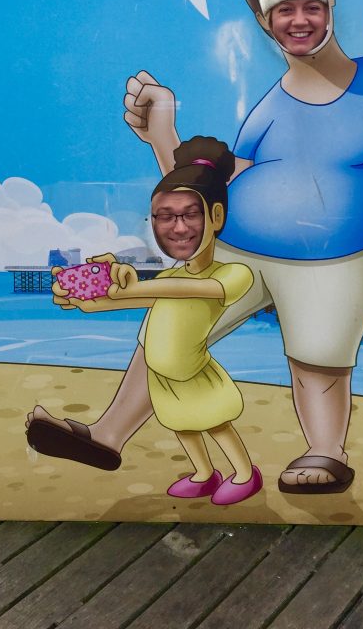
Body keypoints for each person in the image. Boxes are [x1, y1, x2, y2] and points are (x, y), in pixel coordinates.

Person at [27, 0, 363, 495]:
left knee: (318, 355)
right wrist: (162, 131)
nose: (300, 20)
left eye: (312, 5)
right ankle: (106, 435)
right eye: (284, 9)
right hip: (245, 249)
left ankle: (326, 451)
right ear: (262, 21)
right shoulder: (271, 104)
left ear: (331, 1)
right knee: (171, 326)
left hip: (340, 252)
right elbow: (211, 187)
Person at [27, 137, 262, 506]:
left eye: (190, 214)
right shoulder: (170, 279)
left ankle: (245, 473)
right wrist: (83, 295)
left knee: (215, 423)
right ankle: (204, 474)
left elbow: (202, 290)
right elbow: (113, 303)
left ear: (216, 217)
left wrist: (130, 288)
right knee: (182, 425)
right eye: (164, 216)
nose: (178, 228)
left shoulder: (233, 274)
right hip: (162, 374)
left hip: (195, 373)